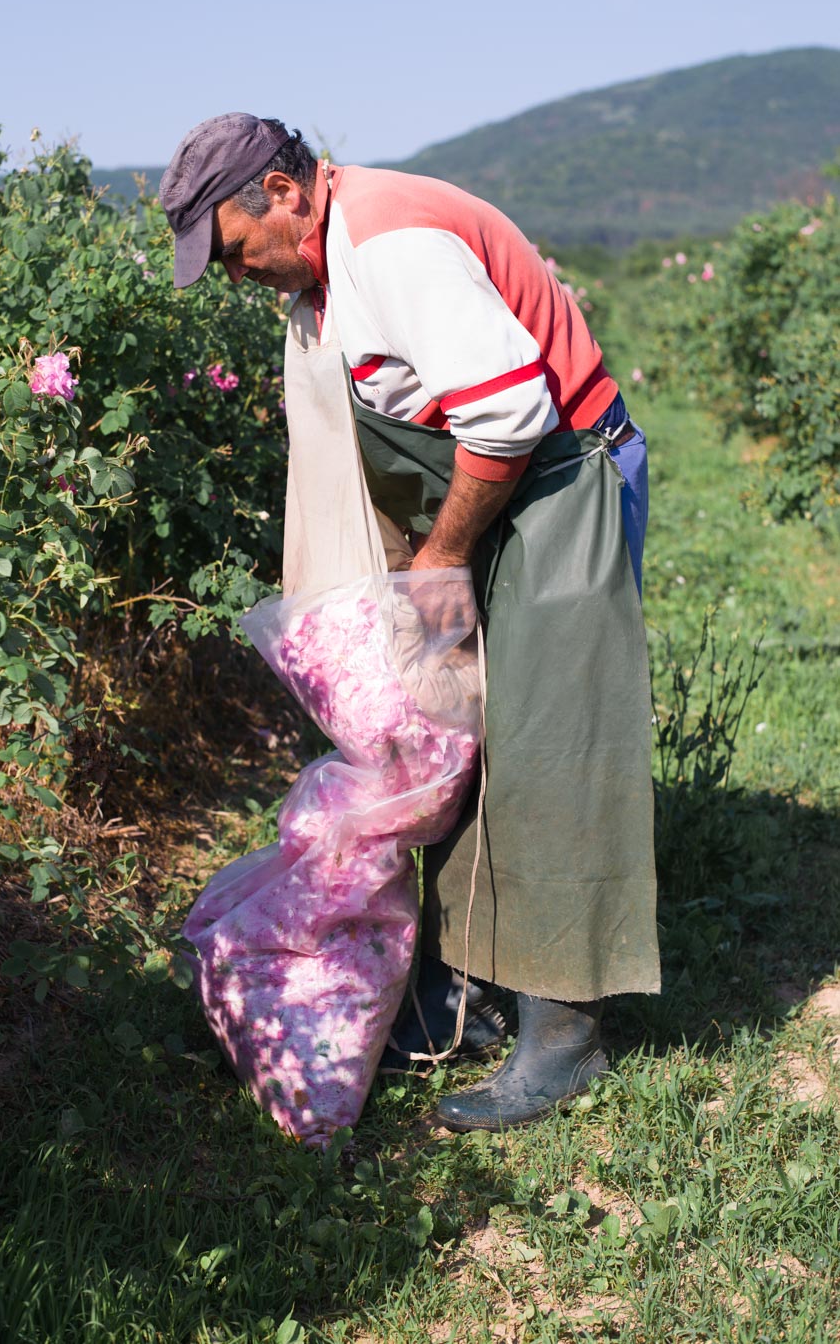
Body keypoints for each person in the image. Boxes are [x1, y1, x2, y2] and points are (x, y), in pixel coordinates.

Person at [159, 113, 660, 1131]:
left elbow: (514, 413)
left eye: (235, 249)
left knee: (547, 755)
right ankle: (464, 999)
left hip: (560, 486)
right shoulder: (325, 269)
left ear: (285, 193)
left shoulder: (392, 245)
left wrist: (438, 558)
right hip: (485, 498)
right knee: (454, 744)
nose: (233, 275)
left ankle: (565, 1044)